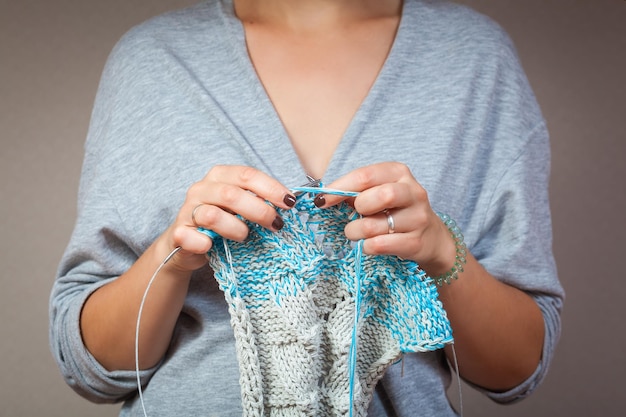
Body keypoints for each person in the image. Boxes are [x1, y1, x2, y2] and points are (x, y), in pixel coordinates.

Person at [49, 0, 564, 415]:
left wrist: (441, 254)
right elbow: (92, 368)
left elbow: (515, 373)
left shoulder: (472, 57)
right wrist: (172, 256)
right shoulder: (152, 60)